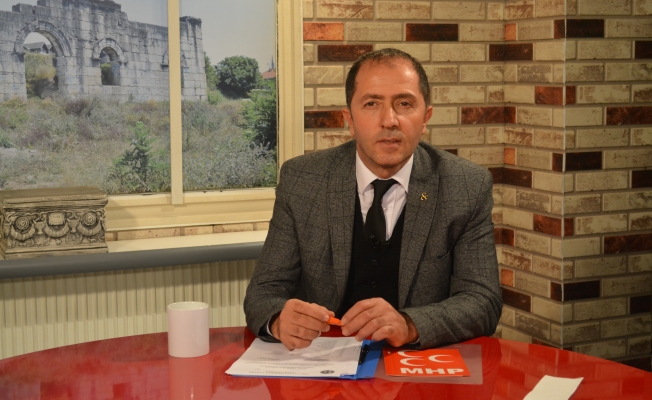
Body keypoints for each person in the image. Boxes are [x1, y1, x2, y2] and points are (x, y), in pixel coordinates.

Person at [244, 48, 502, 351]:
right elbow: (263, 293)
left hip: (415, 363)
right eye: (371, 104)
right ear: (350, 119)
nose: (389, 120)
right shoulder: (303, 180)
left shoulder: (466, 185)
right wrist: (278, 320)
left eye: (404, 104)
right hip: (325, 361)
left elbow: (483, 301)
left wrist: (409, 325)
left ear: (425, 118)